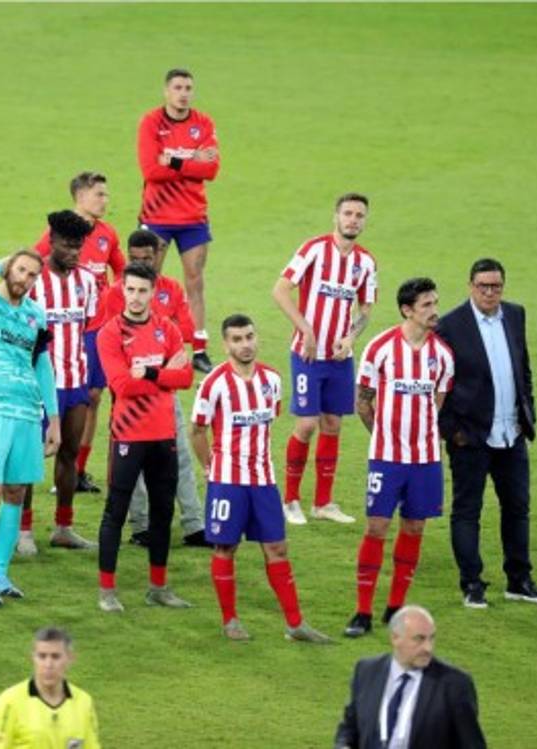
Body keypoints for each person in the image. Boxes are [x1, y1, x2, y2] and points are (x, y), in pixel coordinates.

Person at [190, 315, 331, 643]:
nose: (245, 344)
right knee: (226, 547)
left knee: (278, 548)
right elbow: (197, 430)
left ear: (258, 338)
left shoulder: (273, 379)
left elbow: (271, 417)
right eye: (237, 339)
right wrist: (210, 467)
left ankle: (296, 624)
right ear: (225, 345)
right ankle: (230, 621)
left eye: (249, 336)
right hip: (227, 481)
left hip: (264, 480)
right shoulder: (214, 384)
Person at [436, 259, 537, 608]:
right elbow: (439, 384)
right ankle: (472, 583)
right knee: (467, 511)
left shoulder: (515, 315)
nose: (490, 292)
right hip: (470, 438)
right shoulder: (450, 325)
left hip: (511, 434)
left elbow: (523, 368)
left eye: (496, 286)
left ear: (503, 286)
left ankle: (519, 580)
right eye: (483, 286)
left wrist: (525, 414)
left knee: (518, 508)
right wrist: (451, 432)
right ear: (470, 285)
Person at [344, 279, 454, 638]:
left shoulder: (443, 356)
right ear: (407, 310)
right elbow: (363, 401)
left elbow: (436, 404)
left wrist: (418, 437)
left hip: (425, 460)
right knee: (376, 527)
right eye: (426, 304)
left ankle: (394, 606)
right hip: (386, 459)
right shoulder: (379, 348)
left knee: (414, 528)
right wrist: (384, 437)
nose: (434, 310)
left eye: (435, 302)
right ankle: (362, 610)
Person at [272, 193, 377, 526]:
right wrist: (305, 329)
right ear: (336, 216)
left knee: (333, 424)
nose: (353, 220)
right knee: (306, 424)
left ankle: (323, 503)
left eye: (359, 215)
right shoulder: (314, 249)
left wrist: (351, 337)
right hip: (307, 354)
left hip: (339, 357)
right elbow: (280, 289)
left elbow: (366, 308)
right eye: (348, 213)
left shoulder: (366, 262)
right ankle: (290, 500)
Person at [95, 263, 193, 612]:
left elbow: (186, 379)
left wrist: (150, 371)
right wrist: (166, 372)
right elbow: (121, 385)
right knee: (116, 512)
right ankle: (107, 592)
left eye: (142, 291)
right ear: (123, 289)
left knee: (163, 512)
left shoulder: (167, 328)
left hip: (163, 434)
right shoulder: (111, 333)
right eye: (130, 290)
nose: (136, 297)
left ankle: (159, 587)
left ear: (154, 292)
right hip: (128, 435)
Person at [0, 251, 60, 607]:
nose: (26, 278)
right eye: (21, 270)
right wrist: (0, 264)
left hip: (26, 413)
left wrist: (53, 418)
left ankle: (0, 573)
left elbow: (43, 366)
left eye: (33, 275)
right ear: (9, 270)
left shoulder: (36, 315)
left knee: (16, 492)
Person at [103, 229, 205, 548]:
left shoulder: (171, 289)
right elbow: (117, 359)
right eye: (135, 257)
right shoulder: (114, 295)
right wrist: (163, 368)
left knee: (182, 458)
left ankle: (194, 525)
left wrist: (147, 370)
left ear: (158, 254)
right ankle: (141, 526)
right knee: (132, 467)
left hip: (164, 399)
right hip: (128, 401)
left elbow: (185, 334)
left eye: (147, 257)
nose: (142, 261)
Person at [34, 171, 124, 493]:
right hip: (55, 343)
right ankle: (24, 525)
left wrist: (111, 304)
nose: (105, 200)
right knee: (39, 439)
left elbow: (122, 271)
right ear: (80, 195)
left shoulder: (107, 235)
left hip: (90, 329)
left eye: (106, 194)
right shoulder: (56, 233)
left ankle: (78, 473)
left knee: (93, 398)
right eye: (99, 194)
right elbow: (32, 261)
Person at [20, 210, 100, 554]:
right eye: (68, 246)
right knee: (29, 457)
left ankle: (63, 527)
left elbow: (91, 332)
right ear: (51, 241)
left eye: (79, 247)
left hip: (75, 382)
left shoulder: (88, 281)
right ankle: (22, 530)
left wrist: (93, 381)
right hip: (37, 386)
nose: (74, 253)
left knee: (69, 453)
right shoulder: (33, 282)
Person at [136, 68, 220, 373]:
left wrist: (171, 159)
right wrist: (191, 161)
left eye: (188, 87)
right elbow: (150, 171)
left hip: (193, 216)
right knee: (148, 280)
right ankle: (149, 343)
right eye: (178, 87)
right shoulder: (151, 122)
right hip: (157, 215)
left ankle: (198, 348)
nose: (183, 93)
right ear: (166, 92)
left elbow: (211, 170)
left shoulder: (203, 123)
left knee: (195, 282)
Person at [334, 605, 486, 749]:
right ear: (395, 638)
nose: (428, 648)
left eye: (431, 638)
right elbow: (349, 726)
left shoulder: (454, 683)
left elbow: (472, 744)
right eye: (419, 639)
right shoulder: (367, 671)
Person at [0, 627, 100, 749]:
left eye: (55, 657)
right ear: (32, 658)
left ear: (70, 658)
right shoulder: (9, 701)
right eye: (42, 656)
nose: (48, 665)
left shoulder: (84, 702)